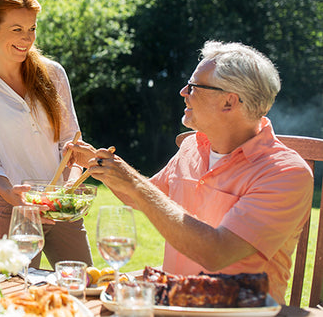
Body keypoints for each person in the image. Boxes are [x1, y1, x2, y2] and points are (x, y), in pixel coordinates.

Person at [65, 40, 313, 304]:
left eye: (194, 86)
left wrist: (134, 183)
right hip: (173, 304)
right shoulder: (193, 145)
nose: (184, 91)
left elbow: (216, 252)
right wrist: (98, 162)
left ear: (229, 102)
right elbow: (141, 197)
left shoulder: (286, 173)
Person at [0, 0, 93, 268]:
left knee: (81, 290)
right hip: (12, 209)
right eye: (17, 28)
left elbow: (70, 142)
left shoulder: (53, 73)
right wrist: (11, 195)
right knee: (13, 298)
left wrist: (67, 189)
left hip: (61, 206)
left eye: (32, 28)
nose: (27, 38)